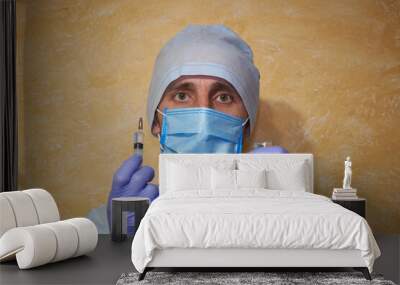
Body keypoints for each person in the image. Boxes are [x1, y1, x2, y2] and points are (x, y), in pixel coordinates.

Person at [87, 24, 287, 233]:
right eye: (182, 96)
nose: (203, 118)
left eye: (224, 97)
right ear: (156, 121)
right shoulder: (98, 229)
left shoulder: (271, 215)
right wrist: (121, 240)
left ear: (248, 125)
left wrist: (285, 211)